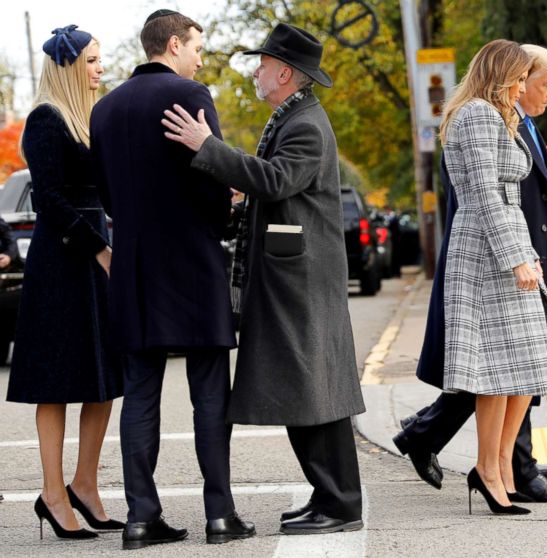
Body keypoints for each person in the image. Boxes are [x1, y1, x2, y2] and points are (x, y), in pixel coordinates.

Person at [161, 22, 366, 535]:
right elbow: (277, 190)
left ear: (283, 72)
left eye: (262, 62)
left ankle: (340, 504)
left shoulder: (305, 123)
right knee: (308, 391)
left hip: (300, 281)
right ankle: (329, 496)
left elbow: (277, 180)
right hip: (294, 275)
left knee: (316, 392)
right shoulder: (295, 115)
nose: (255, 70)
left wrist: (207, 146)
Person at [90, 10, 253, 549]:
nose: (201, 59)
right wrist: (227, 206)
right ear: (175, 43)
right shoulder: (191, 94)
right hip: (192, 263)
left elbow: (107, 197)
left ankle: (140, 518)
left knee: (140, 395)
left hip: (135, 267)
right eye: (197, 49)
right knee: (210, 394)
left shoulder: (106, 109)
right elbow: (212, 175)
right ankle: (220, 516)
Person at [394, 45, 547, 504]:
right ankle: (491, 471)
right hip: (487, 256)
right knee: (497, 373)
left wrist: (526, 254)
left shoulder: (497, 115)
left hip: (510, 251)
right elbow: (483, 195)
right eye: (520, 79)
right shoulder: (477, 115)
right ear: (499, 75)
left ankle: (499, 469)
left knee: (526, 367)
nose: (523, 89)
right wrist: (517, 256)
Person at [5, 24, 123, 541]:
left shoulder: (91, 119)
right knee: (54, 387)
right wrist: (99, 246)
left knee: (105, 380)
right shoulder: (45, 120)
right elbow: (49, 200)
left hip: (96, 256)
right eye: (93, 60)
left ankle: (84, 485)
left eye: (101, 59)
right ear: (70, 65)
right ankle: (53, 494)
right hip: (62, 264)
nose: (100, 68)